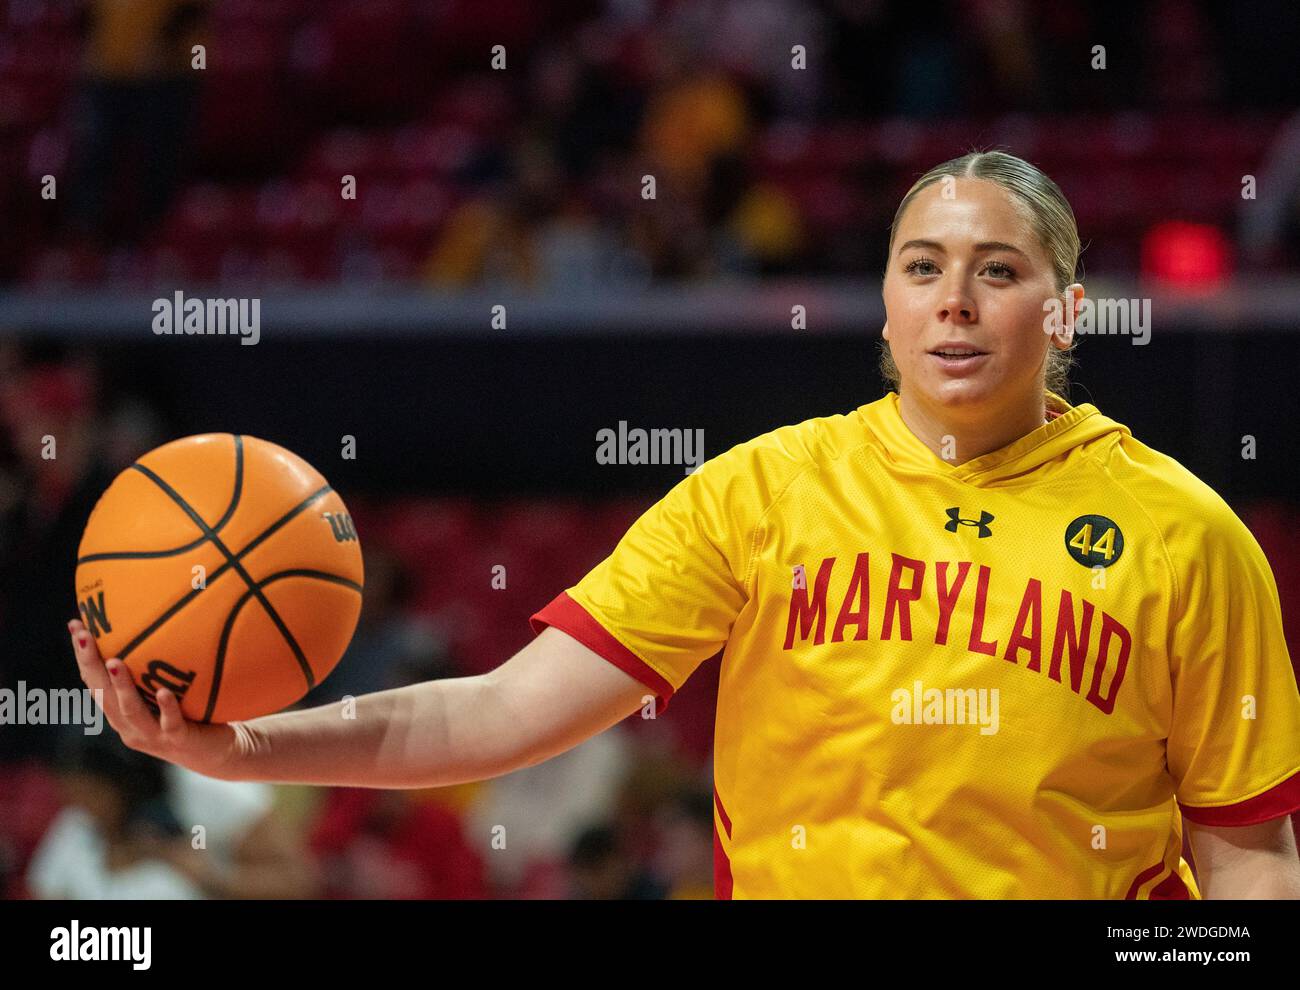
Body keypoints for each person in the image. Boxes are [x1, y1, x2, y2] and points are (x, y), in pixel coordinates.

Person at [68, 151, 1300, 899]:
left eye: (998, 269)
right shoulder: (762, 493)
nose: (955, 302)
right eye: (921, 266)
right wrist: (240, 751)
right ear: (883, 304)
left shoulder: (1183, 537)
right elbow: (497, 712)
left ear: (1068, 309)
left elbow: (1247, 852)